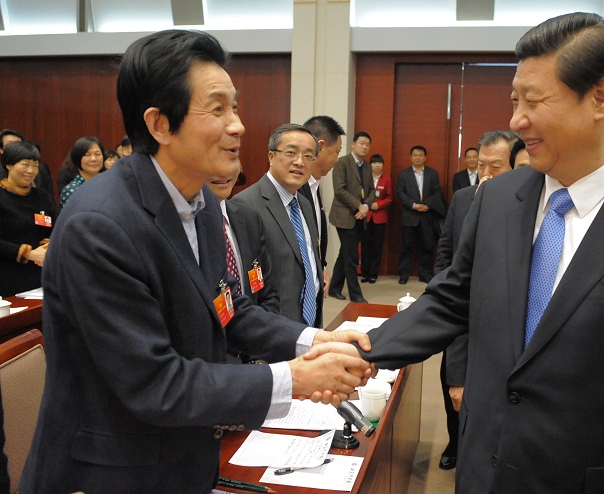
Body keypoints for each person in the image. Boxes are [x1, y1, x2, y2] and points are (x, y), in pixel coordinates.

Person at [343, 12, 604, 493]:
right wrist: (358, 350)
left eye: (533, 101)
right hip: (485, 471)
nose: (516, 120)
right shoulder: (497, 199)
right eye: (515, 101)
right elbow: (453, 299)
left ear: (601, 98)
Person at [20, 30, 370, 494]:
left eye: (235, 108)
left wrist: (314, 341)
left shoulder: (200, 203)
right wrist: (294, 379)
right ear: (160, 124)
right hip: (114, 472)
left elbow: (229, 310)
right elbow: (155, 383)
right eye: (217, 109)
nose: (238, 125)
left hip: (185, 457)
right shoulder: (100, 225)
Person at [434, 129, 516, 472]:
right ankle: (455, 443)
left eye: (496, 167)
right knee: (452, 387)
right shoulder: (464, 197)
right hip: (459, 318)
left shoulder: (523, 206)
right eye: (481, 165)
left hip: (499, 325)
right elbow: (445, 251)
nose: (486, 174)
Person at [233, 124, 325, 327]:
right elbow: (245, 284)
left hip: (310, 324)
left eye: (308, 156)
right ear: (271, 156)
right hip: (275, 327)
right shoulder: (245, 205)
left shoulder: (304, 204)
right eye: (291, 152)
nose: (299, 162)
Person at [208, 161, 278, 313]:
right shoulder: (187, 226)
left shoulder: (249, 219)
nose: (223, 171)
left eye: (230, 158)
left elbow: (267, 294)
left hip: (255, 322)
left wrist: (261, 326)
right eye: (214, 161)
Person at [0, 141, 56, 296]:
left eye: (35, 165)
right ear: (9, 165)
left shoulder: (42, 196)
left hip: (42, 275)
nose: (30, 171)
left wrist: (48, 246)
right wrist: (28, 254)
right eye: (25, 164)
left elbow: (57, 227)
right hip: (8, 278)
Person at [302, 115, 347, 297]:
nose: (337, 160)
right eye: (336, 152)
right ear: (320, 147)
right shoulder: (296, 189)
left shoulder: (314, 185)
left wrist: (322, 265)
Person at [328, 131, 374, 302]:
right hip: (344, 216)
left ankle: (334, 288)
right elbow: (340, 189)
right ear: (353, 144)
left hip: (360, 216)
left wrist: (366, 206)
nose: (364, 147)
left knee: (346, 252)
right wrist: (358, 205)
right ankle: (356, 295)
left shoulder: (367, 166)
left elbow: (372, 191)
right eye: (361, 143)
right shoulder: (342, 162)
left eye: (367, 144)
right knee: (351, 256)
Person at [396, 145, 445, 284]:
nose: (417, 157)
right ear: (411, 157)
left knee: (427, 246)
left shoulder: (432, 173)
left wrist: (428, 205)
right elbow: (400, 192)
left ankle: (425, 274)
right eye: (415, 155)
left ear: (425, 158)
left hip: (427, 215)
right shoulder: (403, 174)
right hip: (409, 216)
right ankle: (404, 274)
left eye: (420, 155)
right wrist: (413, 205)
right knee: (406, 247)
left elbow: (437, 192)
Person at [361, 154, 391, 283]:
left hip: (380, 217)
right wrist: (368, 204)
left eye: (379, 163)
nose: (377, 165)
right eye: (374, 163)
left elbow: (389, 198)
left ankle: (373, 273)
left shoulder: (387, 180)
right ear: (370, 165)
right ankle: (365, 273)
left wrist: (378, 205)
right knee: (365, 246)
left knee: (376, 247)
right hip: (366, 216)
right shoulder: (364, 179)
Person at [59, 136, 105, 207]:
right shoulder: (71, 190)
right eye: (87, 155)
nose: (93, 159)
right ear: (77, 158)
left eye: (97, 154)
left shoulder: (110, 185)